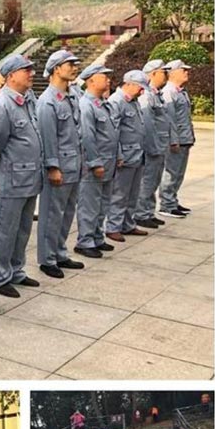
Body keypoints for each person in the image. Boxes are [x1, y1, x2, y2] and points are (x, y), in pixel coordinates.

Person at [0, 54, 43, 297]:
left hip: (29, 179)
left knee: (22, 230)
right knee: (4, 231)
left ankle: (16, 270)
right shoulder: (2, 106)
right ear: (11, 76)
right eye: (25, 70)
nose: (31, 74)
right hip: (10, 180)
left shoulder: (26, 101)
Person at [35, 50, 85, 279]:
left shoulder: (72, 96)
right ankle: (47, 259)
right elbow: (48, 137)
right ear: (56, 69)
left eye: (75, 64)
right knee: (51, 215)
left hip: (74, 164)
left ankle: (60, 252)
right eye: (69, 64)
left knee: (66, 213)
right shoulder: (47, 101)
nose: (74, 68)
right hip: (59, 167)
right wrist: (52, 167)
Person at [74, 64, 118, 258]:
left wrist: (118, 156)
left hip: (108, 162)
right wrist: (94, 162)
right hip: (95, 165)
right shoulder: (86, 105)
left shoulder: (102, 103)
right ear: (91, 80)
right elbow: (87, 137)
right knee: (89, 205)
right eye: (104, 76)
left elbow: (112, 133)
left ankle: (97, 237)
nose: (108, 80)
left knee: (102, 204)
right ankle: (85, 241)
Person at [106, 70, 150, 242]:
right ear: (129, 84)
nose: (142, 91)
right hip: (125, 156)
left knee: (133, 193)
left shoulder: (133, 101)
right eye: (140, 87)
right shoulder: (116, 101)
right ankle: (113, 226)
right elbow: (113, 131)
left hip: (137, 154)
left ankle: (128, 224)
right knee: (119, 194)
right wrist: (118, 155)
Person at [134, 59, 171, 228]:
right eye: (164, 72)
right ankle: (141, 214)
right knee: (147, 181)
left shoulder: (156, 93)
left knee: (154, 180)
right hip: (152, 146)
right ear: (153, 73)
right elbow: (147, 124)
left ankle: (148, 211)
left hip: (159, 145)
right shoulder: (146, 95)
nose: (166, 75)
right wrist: (152, 146)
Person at [158, 60, 195, 218]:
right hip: (176, 140)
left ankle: (172, 200)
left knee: (179, 173)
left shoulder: (181, 92)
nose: (187, 73)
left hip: (184, 139)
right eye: (183, 70)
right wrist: (173, 140)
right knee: (171, 173)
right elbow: (169, 120)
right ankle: (166, 205)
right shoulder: (168, 92)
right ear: (172, 73)